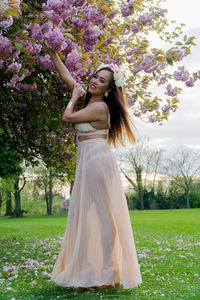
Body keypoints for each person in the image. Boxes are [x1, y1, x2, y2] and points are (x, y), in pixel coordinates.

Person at [46, 45, 143, 292]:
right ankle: (91, 271)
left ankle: (108, 272)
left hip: (97, 162)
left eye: (102, 80)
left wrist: (72, 99)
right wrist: (53, 53)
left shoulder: (99, 108)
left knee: (103, 218)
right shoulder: (89, 101)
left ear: (109, 89)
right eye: (94, 76)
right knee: (86, 217)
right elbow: (68, 78)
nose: (94, 82)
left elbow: (67, 118)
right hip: (88, 161)